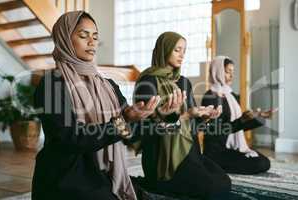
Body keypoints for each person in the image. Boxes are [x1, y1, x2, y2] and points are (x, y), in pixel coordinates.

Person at [31, 11, 160, 200]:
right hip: (68, 176)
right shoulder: (52, 84)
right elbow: (71, 139)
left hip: (105, 173)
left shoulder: (107, 85)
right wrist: (123, 121)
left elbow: (129, 136)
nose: (92, 42)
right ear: (65, 39)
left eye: (95, 37)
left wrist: (159, 116)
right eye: (83, 36)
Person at [132, 32, 231, 199]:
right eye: (177, 50)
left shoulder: (184, 82)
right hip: (162, 159)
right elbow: (146, 132)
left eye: (184, 50)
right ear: (164, 50)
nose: (182, 55)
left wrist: (204, 118)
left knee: (224, 182)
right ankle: (154, 183)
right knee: (214, 189)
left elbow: (192, 127)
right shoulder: (147, 83)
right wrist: (182, 116)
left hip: (190, 153)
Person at [201, 56, 273, 175]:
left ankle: (225, 164)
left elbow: (239, 126)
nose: (231, 76)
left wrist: (259, 117)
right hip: (217, 150)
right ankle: (215, 164)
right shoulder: (210, 97)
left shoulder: (232, 95)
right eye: (228, 72)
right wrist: (242, 119)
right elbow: (216, 131)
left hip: (232, 147)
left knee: (264, 161)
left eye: (232, 72)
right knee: (259, 163)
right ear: (217, 72)